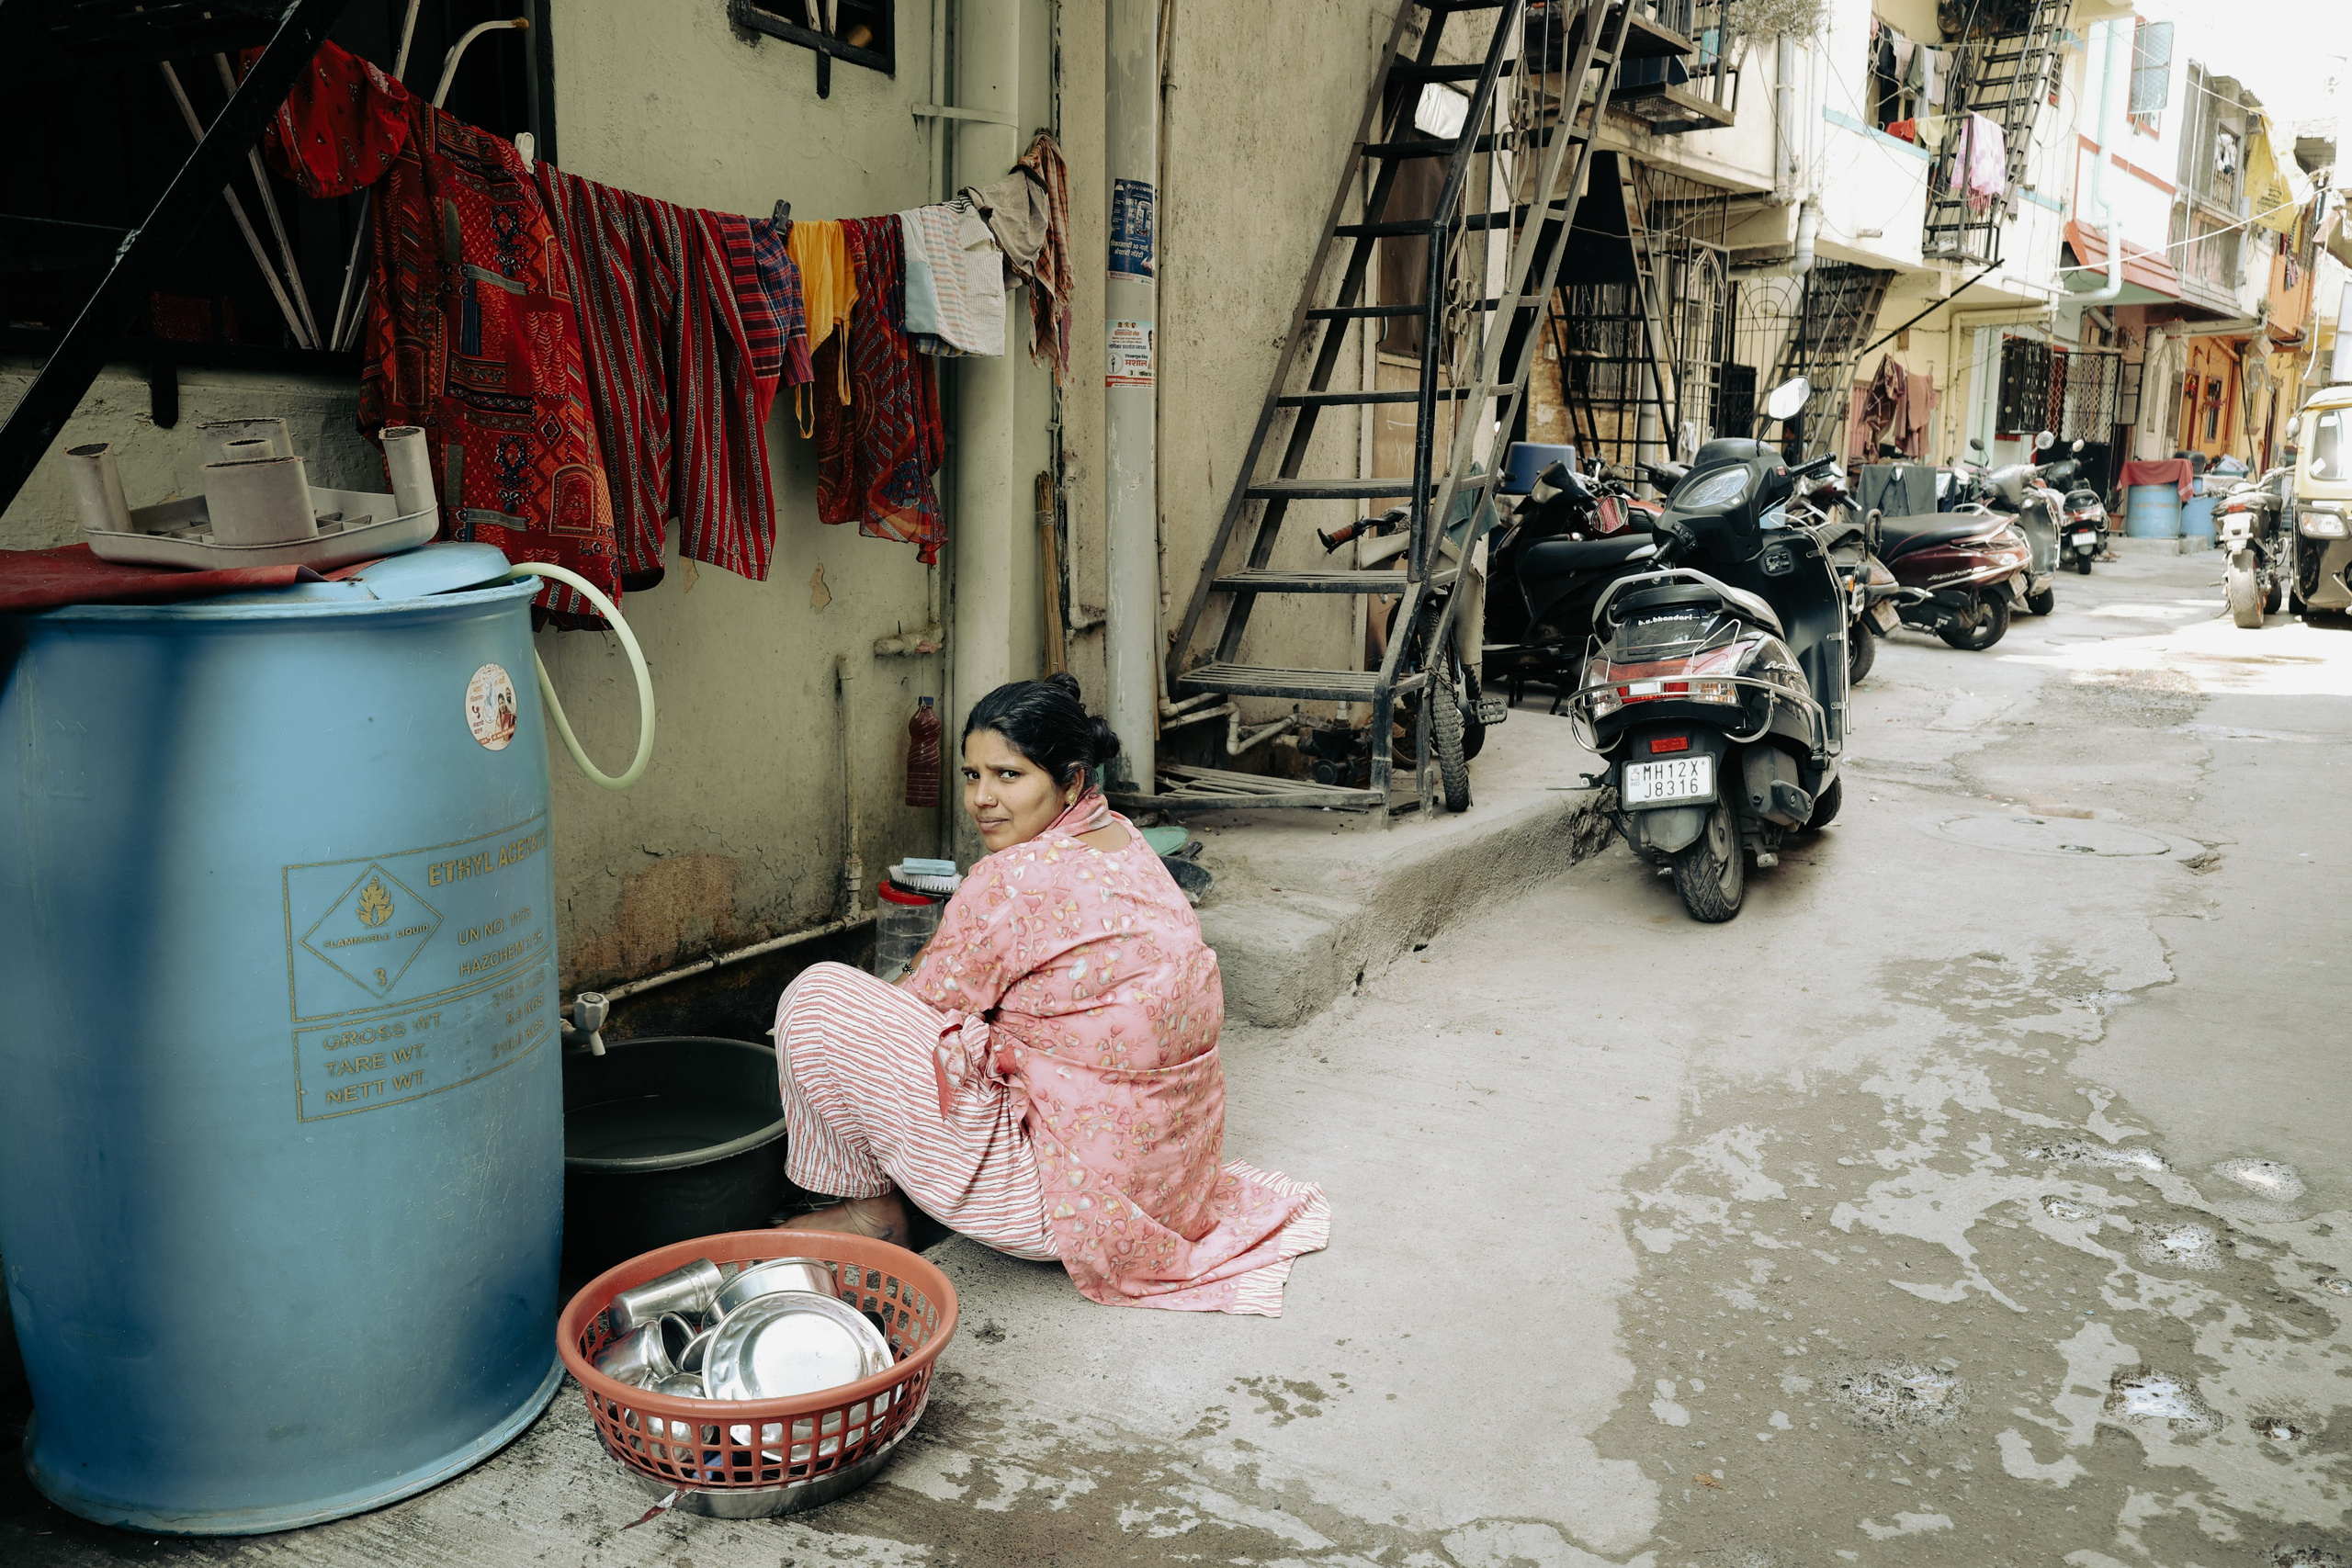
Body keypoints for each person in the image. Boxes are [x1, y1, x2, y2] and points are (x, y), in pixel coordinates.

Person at [771, 674, 1329, 1314]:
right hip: (1172, 1194)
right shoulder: (1121, 837)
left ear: (1069, 781)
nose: (982, 798)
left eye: (1009, 776)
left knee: (816, 1000)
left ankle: (874, 1215)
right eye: (971, 774)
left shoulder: (1014, 878)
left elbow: (921, 1005)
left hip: (1073, 1209)